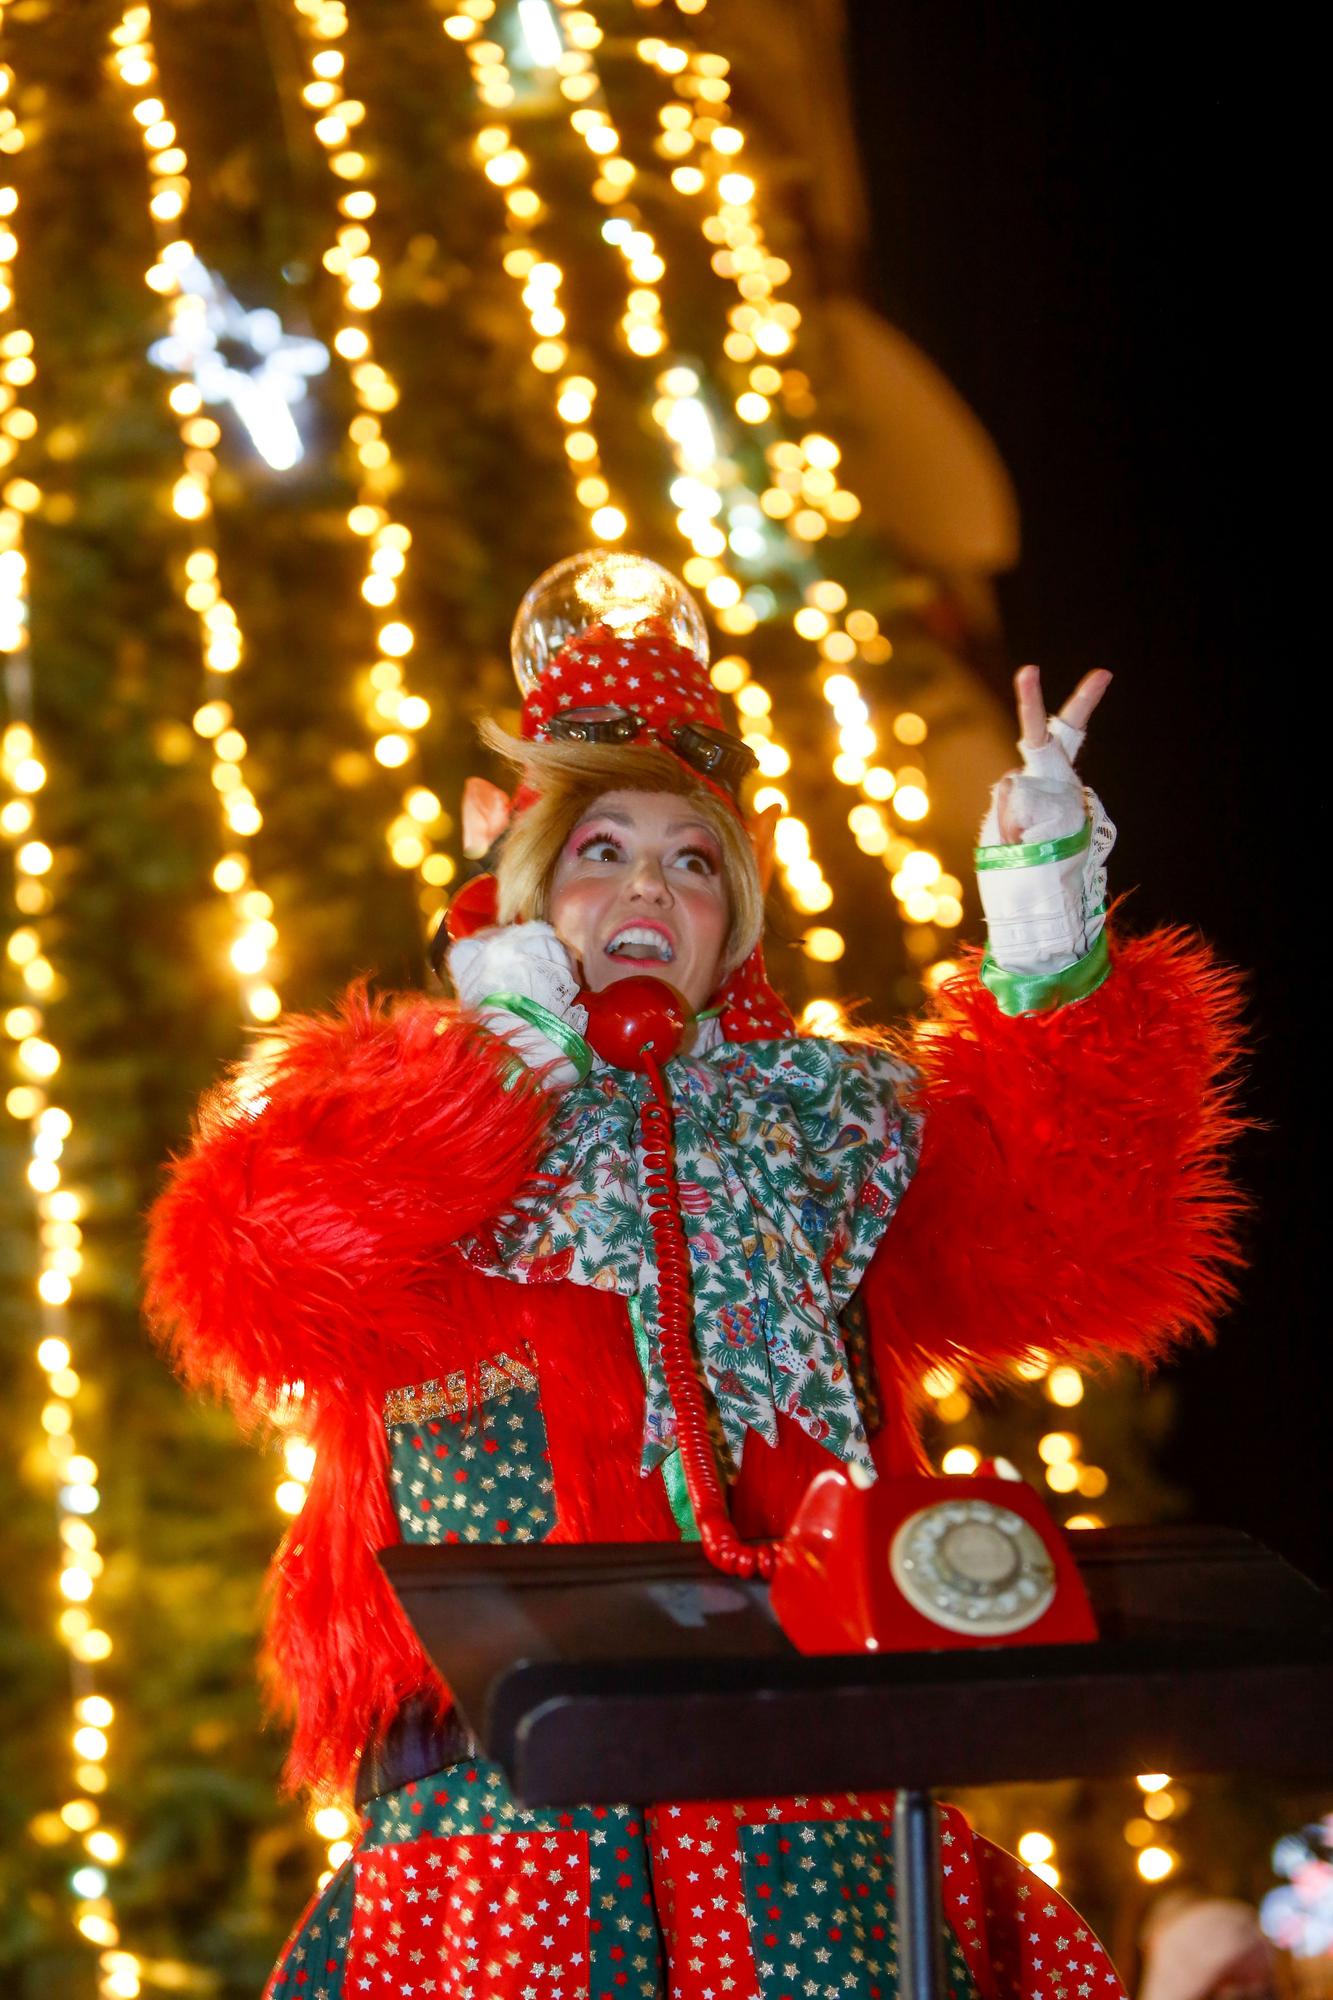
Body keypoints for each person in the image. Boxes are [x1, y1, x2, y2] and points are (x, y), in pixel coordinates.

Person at [144, 553, 1244, 1999]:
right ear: (526, 880)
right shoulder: (386, 1100)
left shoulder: (829, 1126)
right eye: (599, 848)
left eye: (692, 856)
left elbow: (1086, 1246)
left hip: (816, 1818)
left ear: (736, 911)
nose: (649, 884)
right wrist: (489, 1080)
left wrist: (1045, 927)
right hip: (503, 1841)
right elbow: (243, 1274)